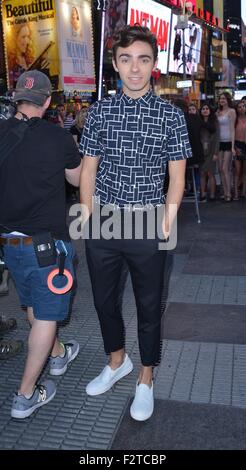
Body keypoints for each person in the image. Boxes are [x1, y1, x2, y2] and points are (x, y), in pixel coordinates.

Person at [80, 25, 192, 421]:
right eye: (126, 59)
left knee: (148, 306)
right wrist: (89, 218)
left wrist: (169, 218)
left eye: (143, 59)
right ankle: (117, 361)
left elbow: (177, 176)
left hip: (149, 221)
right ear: (114, 64)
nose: (134, 68)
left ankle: (146, 377)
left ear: (153, 65)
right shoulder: (98, 112)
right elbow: (88, 170)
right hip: (104, 222)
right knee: (103, 302)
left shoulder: (171, 116)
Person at [0, 70, 82, 419]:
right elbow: (78, 179)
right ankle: (25, 395)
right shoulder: (58, 138)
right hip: (47, 245)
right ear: (48, 102)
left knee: (33, 303)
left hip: (9, 242)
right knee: (47, 315)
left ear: (18, 98)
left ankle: (58, 353)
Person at [216, 92, 236, 202]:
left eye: (224, 98)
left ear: (228, 99)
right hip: (219, 142)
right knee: (220, 169)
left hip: (228, 141)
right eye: (220, 99)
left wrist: (233, 146)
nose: (222, 100)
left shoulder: (232, 111)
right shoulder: (218, 112)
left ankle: (229, 193)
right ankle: (224, 192)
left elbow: (232, 129)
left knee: (225, 168)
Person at [199, 103, 220, 201]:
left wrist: (216, 153)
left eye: (207, 108)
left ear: (210, 110)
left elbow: (217, 138)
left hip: (212, 150)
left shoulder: (215, 122)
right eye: (203, 109)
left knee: (210, 173)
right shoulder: (198, 122)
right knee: (202, 173)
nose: (205, 110)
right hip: (201, 151)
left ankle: (212, 195)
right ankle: (203, 194)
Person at [8, 24, 35, 89]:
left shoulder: (28, 58)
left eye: (28, 37)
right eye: (23, 37)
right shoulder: (10, 63)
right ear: (15, 38)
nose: (27, 41)